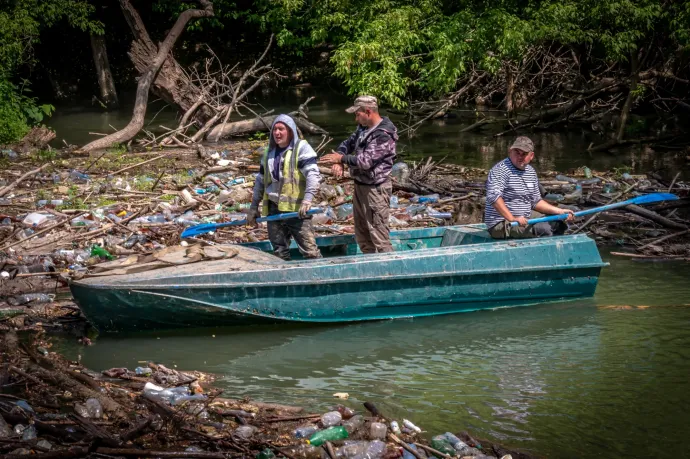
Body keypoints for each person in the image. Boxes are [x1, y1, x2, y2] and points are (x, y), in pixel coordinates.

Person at [320, 95, 398, 253]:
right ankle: (370, 268)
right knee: (362, 236)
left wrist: (341, 158)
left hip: (376, 190)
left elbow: (365, 162)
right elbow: (347, 144)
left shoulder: (384, 134)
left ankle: (390, 270)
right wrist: (338, 161)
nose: (356, 119)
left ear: (368, 111)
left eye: (357, 114)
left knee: (379, 236)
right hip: (360, 187)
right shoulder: (363, 128)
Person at [247, 114, 322, 260]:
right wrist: (253, 207)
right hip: (274, 208)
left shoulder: (301, 148)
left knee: (310, 251)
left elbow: (313, 175)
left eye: (281, 129)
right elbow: (260, 181)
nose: (277, 133)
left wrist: (307, 200)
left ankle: (320, 278)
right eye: (275, 129)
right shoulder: (269, 152)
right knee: (279, 252)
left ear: (290, 131)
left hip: (297, 209)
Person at [485, 136, 574, 239]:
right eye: (517, 153)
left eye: (524, 154)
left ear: (531, 156)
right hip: (501, 222)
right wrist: (512, 218)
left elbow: (535, 201)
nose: (520, 156)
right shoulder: (500, 170)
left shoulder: (531, 172)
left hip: (525, 216)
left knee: (558, 223)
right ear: (510, 152)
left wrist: (559, 211)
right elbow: (493, 197)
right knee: (544, 229)